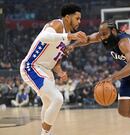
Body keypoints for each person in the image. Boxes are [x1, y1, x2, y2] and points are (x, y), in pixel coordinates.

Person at [19, 3, 87, 135]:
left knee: (48, 102)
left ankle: (45, 133)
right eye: (77, 18)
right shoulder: (57, 24)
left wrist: (60, 72)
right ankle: (45, 133)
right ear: (67, 17)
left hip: (46, 70)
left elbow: (55, 60)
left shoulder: (66, 36)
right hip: (31, 66)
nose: (80, 21)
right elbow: (44, 37)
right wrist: (69, 37)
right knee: (58, 98)